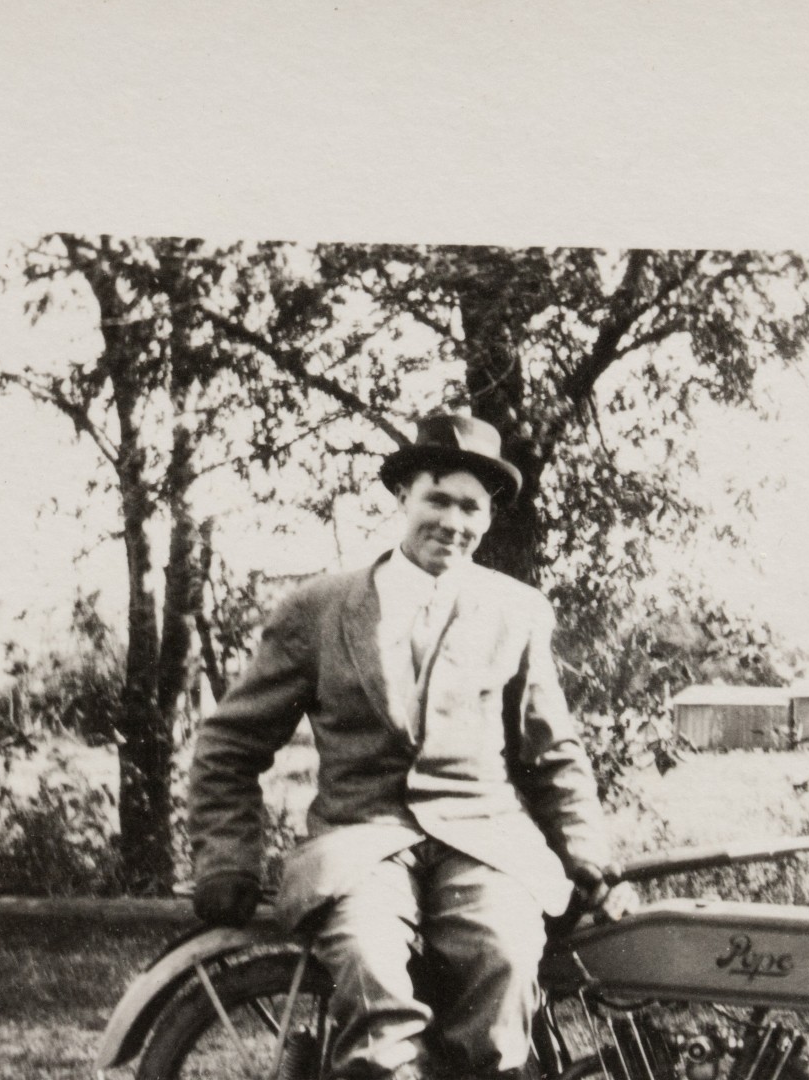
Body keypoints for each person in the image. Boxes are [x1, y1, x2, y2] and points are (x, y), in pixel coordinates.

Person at [186, 412, 632, 1080]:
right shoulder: (321, 608)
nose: (454, 521)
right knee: (371, 973)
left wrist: (588, 857)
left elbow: (554, 753)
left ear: (488, 518)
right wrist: (226, 859)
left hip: (486, 842)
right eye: (438, 499)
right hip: (361, 841)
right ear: (403, 497)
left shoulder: (517, 612)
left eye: (471, 508)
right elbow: (229, 742)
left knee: (505, 959)